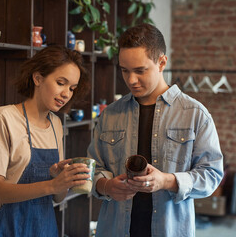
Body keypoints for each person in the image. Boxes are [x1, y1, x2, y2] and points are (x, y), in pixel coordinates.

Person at [88, 23, 224, 237]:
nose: (131, 80)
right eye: (125, 70)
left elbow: (212, 174)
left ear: (162, 63)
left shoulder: (195, 114)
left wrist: (167, 181)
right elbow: (92, 169)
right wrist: (106, 186)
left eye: (140, 71)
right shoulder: (110, 114)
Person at [0, 45, 91, 236]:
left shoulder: (56, 124)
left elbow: (57, 197)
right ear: (38, 78)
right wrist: (51, 185)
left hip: (44, 228)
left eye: (72, 88)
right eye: (60, 82)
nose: (66, 94)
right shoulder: (4, 118)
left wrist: (61, 180)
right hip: (6, 228)